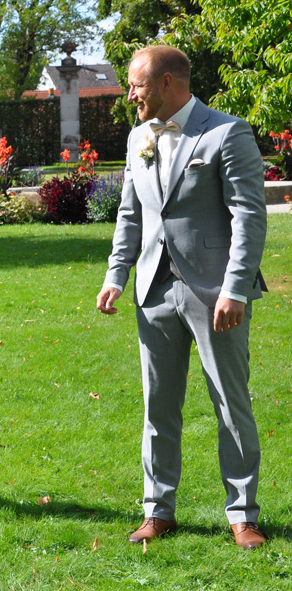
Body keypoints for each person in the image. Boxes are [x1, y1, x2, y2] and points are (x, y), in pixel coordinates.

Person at [96, 46, 268, 549]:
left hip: (216, 293)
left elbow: (248, 218)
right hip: (153, 290)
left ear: (168, 82)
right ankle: (158, 510)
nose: (131, 95)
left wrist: (235, 288)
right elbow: (131, 214)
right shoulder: (136, 139)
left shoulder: (226, 132)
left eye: (137, 85)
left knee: (230, 404)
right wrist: (116, 275)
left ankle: (243, 515)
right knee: (158, 405)